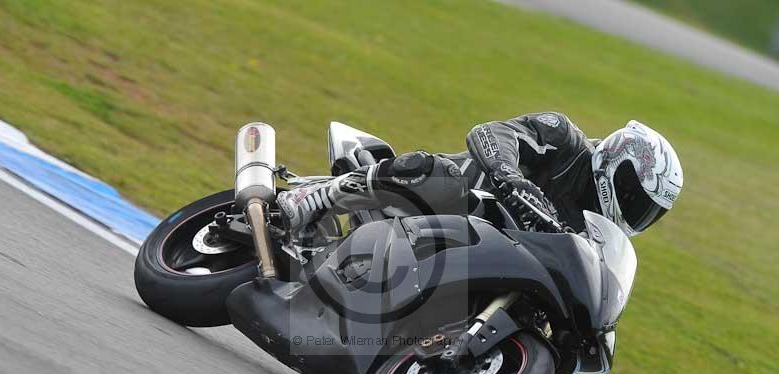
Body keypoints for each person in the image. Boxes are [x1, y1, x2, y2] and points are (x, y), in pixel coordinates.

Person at [277, 113, 683, 236]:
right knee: (442, 174)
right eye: (634, 196)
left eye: (647, 211)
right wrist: (509, 175)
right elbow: (492, 133)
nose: (634, 211)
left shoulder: (594, 231)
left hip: (469, 246)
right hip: (439, 196)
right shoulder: (565, 139)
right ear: (617, 162)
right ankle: (317, 197)